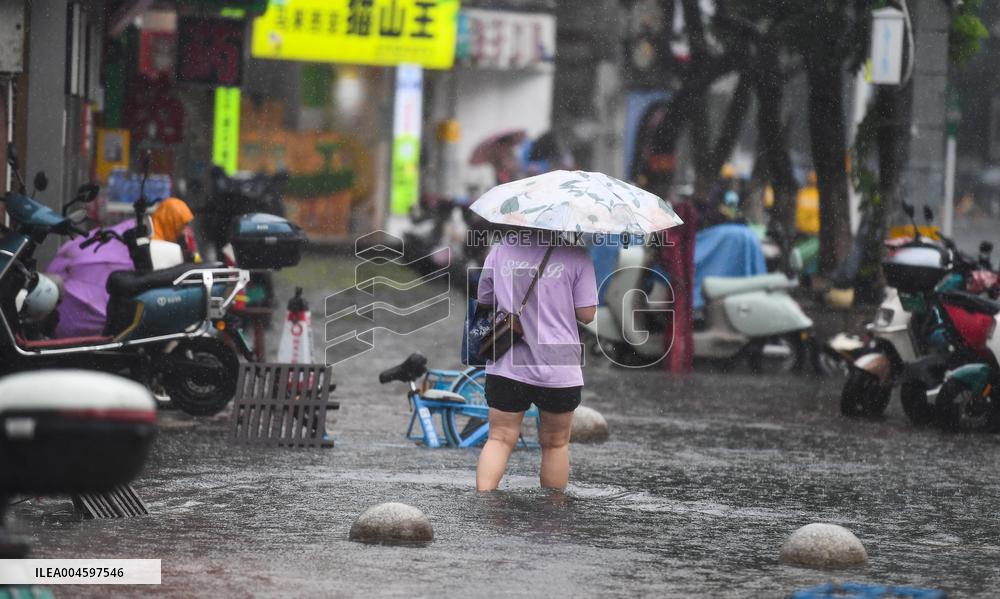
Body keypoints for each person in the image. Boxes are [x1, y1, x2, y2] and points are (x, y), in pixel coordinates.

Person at [475, 232, 598, 492]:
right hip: (558, 366)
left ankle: (483, 500)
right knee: (556, 444)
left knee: (499, 439)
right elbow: (587, 314)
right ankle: (552, 509)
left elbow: (485, 298)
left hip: (508, 360)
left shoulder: (503, 248)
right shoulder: (577, 256)